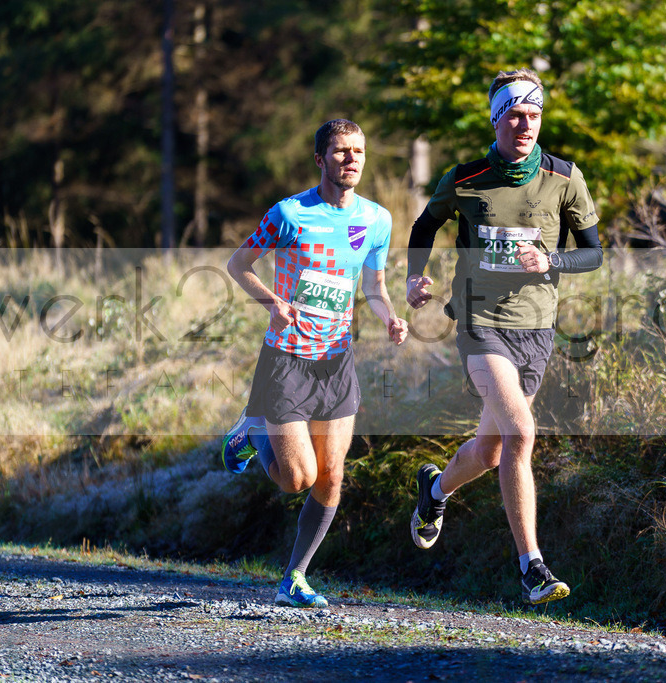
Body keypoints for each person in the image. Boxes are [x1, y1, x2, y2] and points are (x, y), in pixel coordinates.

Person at [405, 68, 603, 605]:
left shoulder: (564, 177)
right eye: (515, 114)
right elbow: (426, 226)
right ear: (496, 119)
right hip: (478, 324)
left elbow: (594, 253)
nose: (526, 125)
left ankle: (435, 490)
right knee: (521, 433)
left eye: (534, 115)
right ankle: (532, 567)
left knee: (492, 451)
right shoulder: (465, 179)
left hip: (536, 328)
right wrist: (412, 276)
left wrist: (551, 259)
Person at [221, 118, 408, 608]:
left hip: (336, 360)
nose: (352, 160)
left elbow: (374, 286)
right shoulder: (289, 214)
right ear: (320, 159)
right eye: (341, 151)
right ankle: (250, 430)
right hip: (286, 360)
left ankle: (295, 579)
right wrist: (272, 304)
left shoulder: (377, 220)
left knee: (332, 476)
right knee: (296, 480)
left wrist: (391, 318)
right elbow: (238, 264)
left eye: (359, 152)